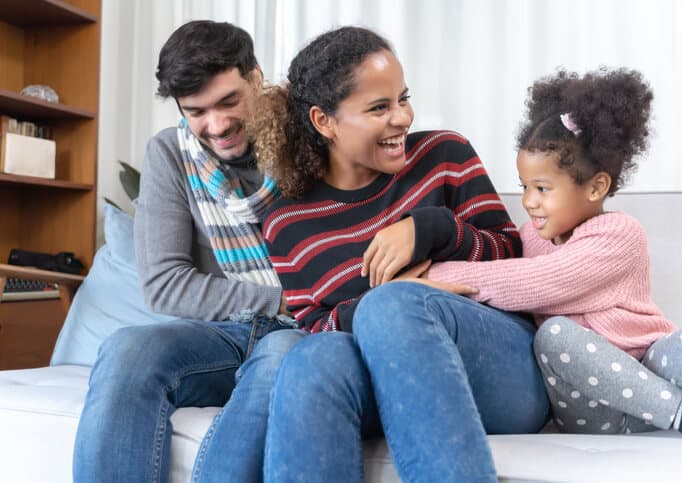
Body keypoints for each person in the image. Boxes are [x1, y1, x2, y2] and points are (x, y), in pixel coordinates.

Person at [251, 26, 549, 482]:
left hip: (500, 368)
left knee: (391, 306)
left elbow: (514, 257)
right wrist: (378, 302)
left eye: (402, 99)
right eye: (379, 108)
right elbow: (313, 326)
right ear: (323, 121)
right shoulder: (285, 221)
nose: (402, 118)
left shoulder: (444, 155)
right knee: (311, 359)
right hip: (382, 379)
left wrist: (434, 229)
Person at [424, 68, 682, 441]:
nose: (529, 202)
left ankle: (680, 404)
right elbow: (494, 275)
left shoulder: (620, 234)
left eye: (543, 188)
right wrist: (429, 272)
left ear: (597, 186)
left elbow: (535, 281)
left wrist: (430, 276)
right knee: (554, 335)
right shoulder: (528, 237)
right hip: (593, 407)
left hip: (648, 366)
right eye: (525, 187)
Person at [73, 20, 305, 483]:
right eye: (196, 111)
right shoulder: (170, 155)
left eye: (228, 101)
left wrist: (297, 309)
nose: (216, 125)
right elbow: (163, 285)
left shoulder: (309, 137)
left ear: (255, 77)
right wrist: (277, 300)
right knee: (127, 349)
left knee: (280, 364)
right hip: (225, 332)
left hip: (305, 328)